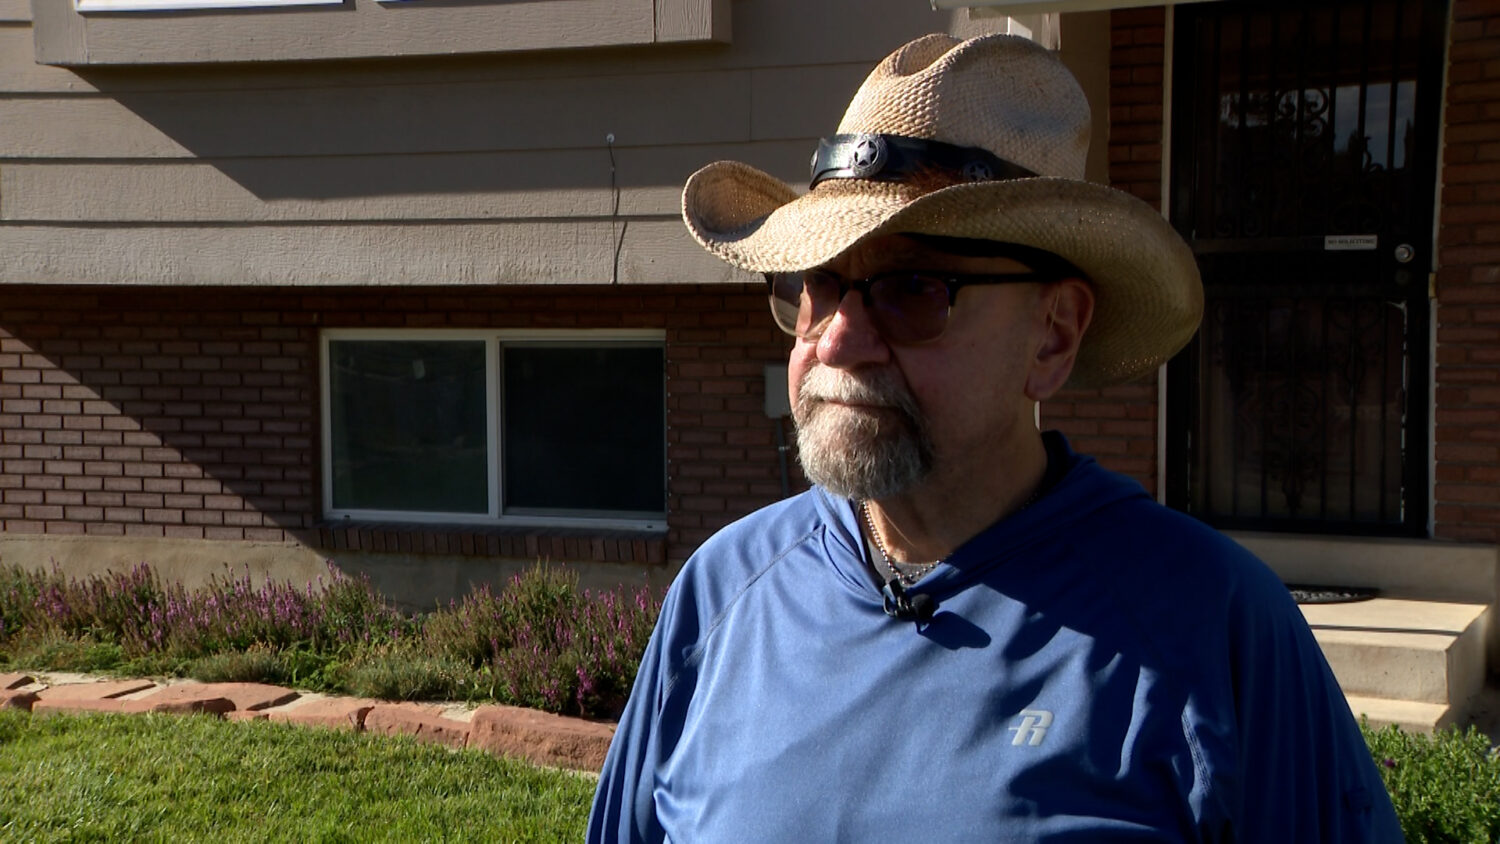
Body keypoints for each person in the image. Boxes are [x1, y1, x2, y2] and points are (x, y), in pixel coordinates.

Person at [588, 33, 1403, 843]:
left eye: (912, 289)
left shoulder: (1210, 629)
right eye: (818, 285)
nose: (835, 341)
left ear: (1053, 334)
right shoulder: (723, 592)